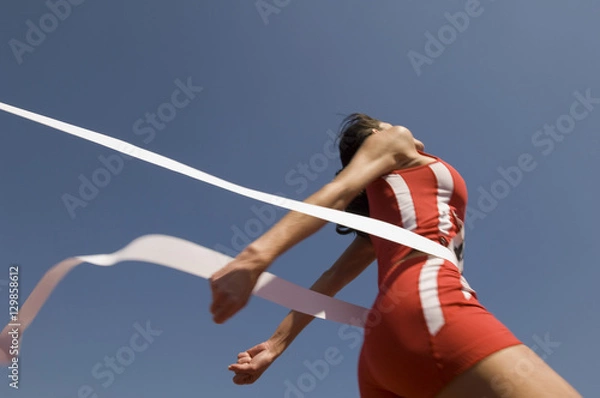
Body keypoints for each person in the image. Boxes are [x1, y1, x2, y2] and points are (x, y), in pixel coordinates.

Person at [210, 114, 581, 397]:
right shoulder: (395, 139)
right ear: (375, 135)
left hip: (380, 354)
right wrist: (254, 257)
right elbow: (338, 191)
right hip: (432, 311)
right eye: (381, 124)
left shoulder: (385, 225)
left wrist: (274, 346)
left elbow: (330, 280)